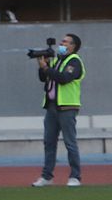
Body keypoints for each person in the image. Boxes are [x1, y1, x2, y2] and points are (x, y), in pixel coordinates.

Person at [31, 34, 85, 187]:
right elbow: (44, 78)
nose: (61, 43)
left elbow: (63, 78)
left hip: (67, 107)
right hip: (52, 106)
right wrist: (43, 66)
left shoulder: (74, 61)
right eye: (62, 41)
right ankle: (47, 176)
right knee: (49, 142)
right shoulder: (57, 60)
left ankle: (75, 176)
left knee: (70, 142)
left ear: (73, 46)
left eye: (65, 42)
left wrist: (47, 68)